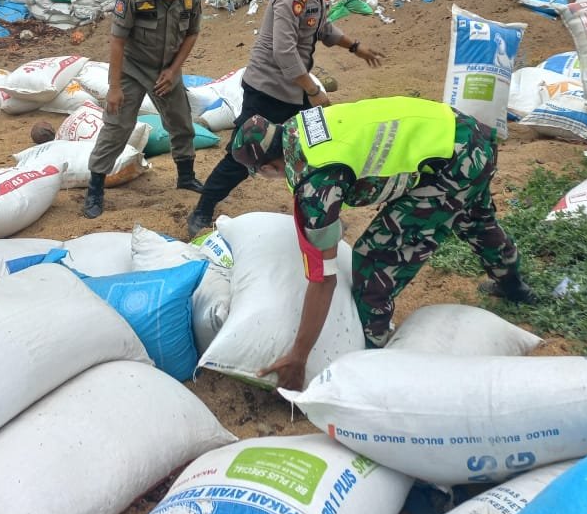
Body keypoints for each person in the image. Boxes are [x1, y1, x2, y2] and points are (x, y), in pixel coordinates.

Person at [228, 96, 537, 390]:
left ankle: (374, 353)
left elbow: (323, 280)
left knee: (373, 259)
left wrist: (299, 355)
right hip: (464, 134)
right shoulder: (303, 125)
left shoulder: (316, 183)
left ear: (267, 168)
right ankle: (513, 285)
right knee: (475, 219)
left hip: (452, 164)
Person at [186, 0, 383, 237]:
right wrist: (314, 91)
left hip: (295, 91)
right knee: (244, 155)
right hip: (268, 91)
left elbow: (322, 28)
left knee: (317, 150)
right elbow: (284, 52)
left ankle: (320, 213)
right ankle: (202, 210)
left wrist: (356, 47)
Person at [84, 0, 204, 218]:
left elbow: (192, 34)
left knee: (181, 121)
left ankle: (186, 176)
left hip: (166, 70)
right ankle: (95, 187)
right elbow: (117, 41)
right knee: (118, 125)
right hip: (132, 69)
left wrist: (174, 71)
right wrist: (114, 88)